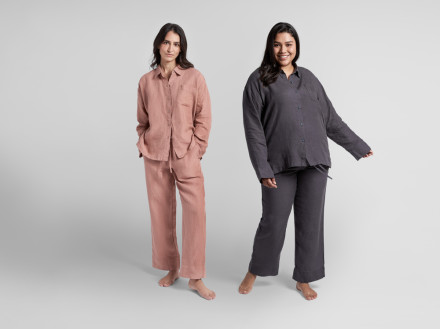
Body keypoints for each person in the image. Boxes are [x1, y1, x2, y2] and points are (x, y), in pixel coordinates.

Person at [239, 22, 373, 300]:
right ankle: (255, 270)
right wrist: (263, 169)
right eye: (277, 44)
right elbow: (253, 130)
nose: (283, 50)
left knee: (311, 223)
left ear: (296, 46)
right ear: (270, 46)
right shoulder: (258, 80)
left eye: (288, 44)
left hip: (315, 163)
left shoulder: (309, 79)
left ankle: (304, 279)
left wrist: (357, 146)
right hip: (278, 165)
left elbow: (330, 119)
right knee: (273, 222)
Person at [136, 23, 215, 300]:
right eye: (167, 42)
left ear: (182, 48)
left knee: (196, 214)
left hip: (186, 155)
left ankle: (195, 276)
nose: (171, 48)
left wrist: (197, 149)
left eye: (176, 44)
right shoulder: (146, 81)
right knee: (161, 215)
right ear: (159, 45)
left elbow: (203, 118)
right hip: (155, 156)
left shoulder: (194, 78)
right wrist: (144, 144)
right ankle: (171, 268)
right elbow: (142, 120)